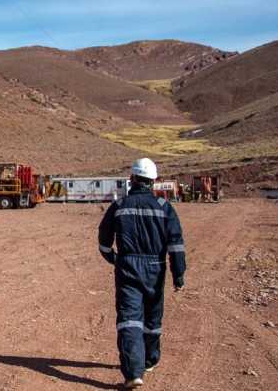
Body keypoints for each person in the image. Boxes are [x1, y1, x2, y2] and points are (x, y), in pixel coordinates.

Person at [98, 158, 186, 389]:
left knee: (129, 319)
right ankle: (149, 360)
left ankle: (133, 372)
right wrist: (179, 274)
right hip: (155, 269)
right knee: (152, 318)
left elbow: (104, 241)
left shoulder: (119, 206)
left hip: (127, 267)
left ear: (132, 179)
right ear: (154, 181)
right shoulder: (164, 207)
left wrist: (113, 258)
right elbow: (175, 244)